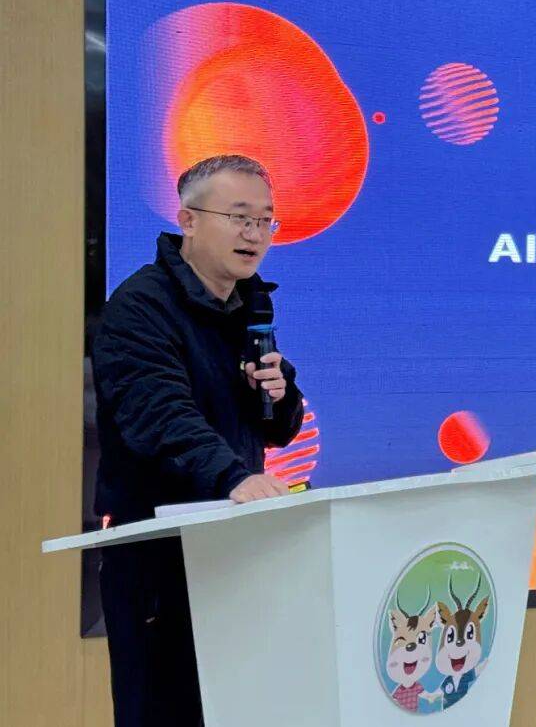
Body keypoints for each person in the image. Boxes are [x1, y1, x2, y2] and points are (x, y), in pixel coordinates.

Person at [91, 154, 305, 727]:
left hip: (235, 548)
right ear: (188, 220)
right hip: (159, 555)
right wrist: (234, 477)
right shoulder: (139, 307)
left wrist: (280, 394)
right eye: (238, 217)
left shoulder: (249, 306)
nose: (254, 234)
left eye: (264, 220)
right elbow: (160, 416)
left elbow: (276, 427)